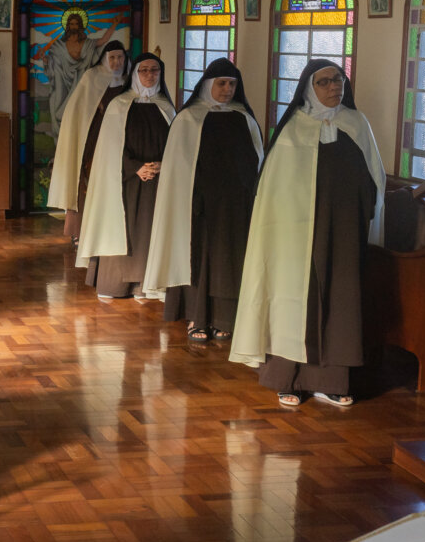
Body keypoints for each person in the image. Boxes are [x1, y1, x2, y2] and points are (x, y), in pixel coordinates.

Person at [230, 60, 385, 408]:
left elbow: (374, 179)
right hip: (295, 236)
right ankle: (290, 379)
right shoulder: (292, 130)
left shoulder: (356, 124)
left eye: (339, 79)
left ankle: (332, 381)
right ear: (307, 89)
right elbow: (274, 191)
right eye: (324, 82)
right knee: (292, 300)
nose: (335, 87)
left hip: (344, 233)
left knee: (341, 301)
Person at [142, 58, 263, 341]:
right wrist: (195, 195)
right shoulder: (189, 118)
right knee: (197, 258)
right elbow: (179, 166)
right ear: (208, 85)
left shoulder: (243, 118)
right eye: (222, 83)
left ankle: (224, 318)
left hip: (234, 207)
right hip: (197, 206)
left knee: (228, 262)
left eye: (232, 84)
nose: (228, 89)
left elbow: (255, 160)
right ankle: (196, 316)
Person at [75, 53, 174, 298]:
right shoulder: (119, 105)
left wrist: (162, 165)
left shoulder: (166, 107)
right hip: (124, 181)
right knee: (124, 231)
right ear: (135, 74)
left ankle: (144, 284)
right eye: (144, 70)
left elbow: (176, 145)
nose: (150, 75)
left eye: (154, 70)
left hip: (157, 182)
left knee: (149, 232)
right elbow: (110, 148)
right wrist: (136, 167)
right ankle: (116, 285)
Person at [46, 40, 129, 239]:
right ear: (105, 59)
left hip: (120, 141)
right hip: (93, 140)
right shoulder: (92, 77)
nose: (116, 62)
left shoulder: (130, 79)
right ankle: (80, 233)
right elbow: (79, 111)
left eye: (120, 57)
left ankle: (110, 233)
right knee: (87, 185)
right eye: (112, 58)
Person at [45, 15, 121, 127]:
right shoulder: (59, 46)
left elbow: (103, 40)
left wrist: (114, 24)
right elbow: (52, 60)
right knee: (63, 108)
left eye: (76, 24)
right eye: (71, 24)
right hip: (64, 81)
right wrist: (46, 60)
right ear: (67, 26)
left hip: (83, 80)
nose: (74, 27)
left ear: (80, 26)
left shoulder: (87, 44)